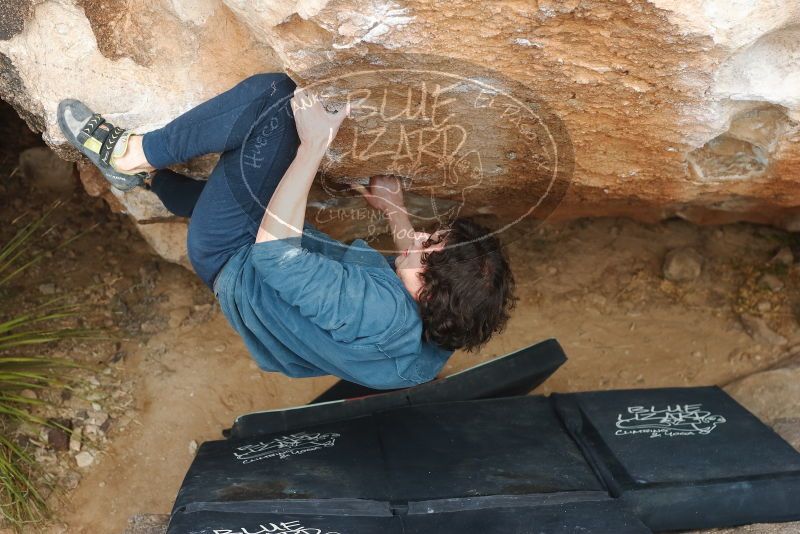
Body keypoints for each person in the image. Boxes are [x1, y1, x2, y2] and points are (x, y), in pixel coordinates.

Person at [57, 73, 516, 389]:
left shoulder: (375, 313)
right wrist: (395, 212)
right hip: (253, 294)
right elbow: (417, 278)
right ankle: (149, 180)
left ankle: (130, 156)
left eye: (426, 248)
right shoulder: (434, 344)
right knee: (220, 198)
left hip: (234, 254)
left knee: (275, 99)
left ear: (429, 294)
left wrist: (314, 144)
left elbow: (274, 255)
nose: (417, 238)